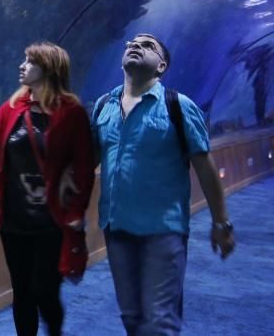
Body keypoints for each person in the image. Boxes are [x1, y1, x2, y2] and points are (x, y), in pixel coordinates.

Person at [88, 33, 235, 335]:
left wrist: (222, 223)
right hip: (116, 228)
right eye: (132, 43)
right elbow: (87, 161)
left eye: (147, 45)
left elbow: (206, 169)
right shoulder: (104, 105)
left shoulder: (178, 106)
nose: (135, 46)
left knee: (159, 321)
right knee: (131, 317)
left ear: (162, 66)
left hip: (163, 231)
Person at [0, 42, 95, 336]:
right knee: (22, 292)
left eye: (30, 61)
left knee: (45, 292)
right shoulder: (8, 110)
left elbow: (84, 166)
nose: (22, 65)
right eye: (23, 59)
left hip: (52, 221)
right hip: (14, 220)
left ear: (48, 69)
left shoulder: (72, 113)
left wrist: (76, 211)